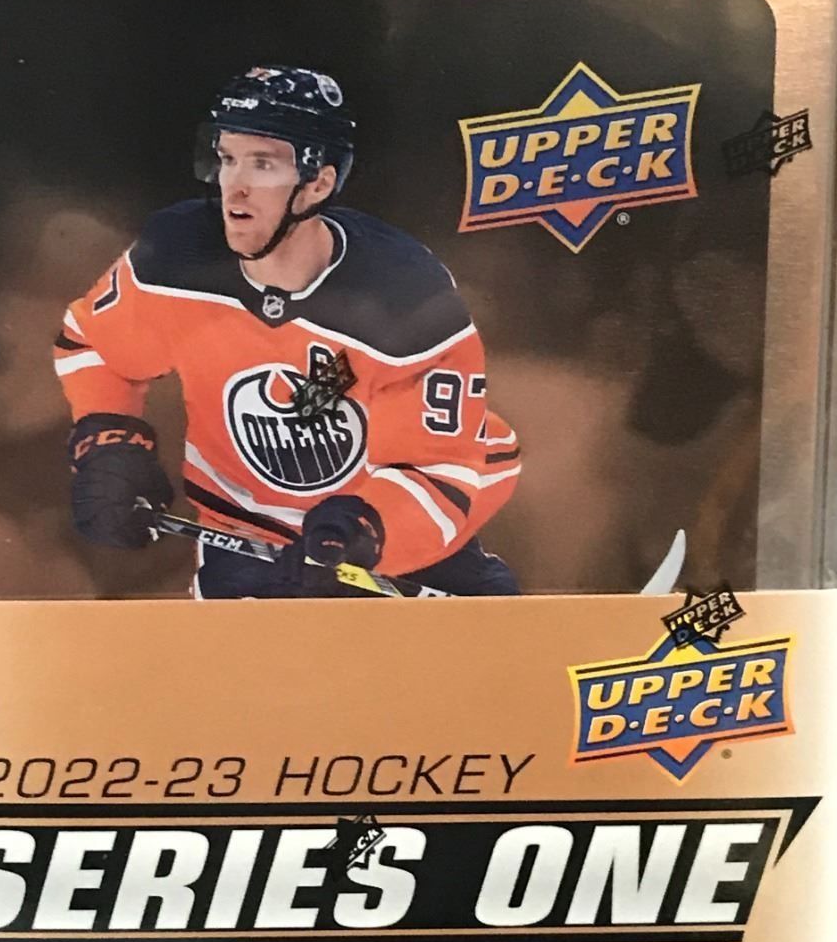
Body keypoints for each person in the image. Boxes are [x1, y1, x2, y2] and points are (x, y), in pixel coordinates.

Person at [54, 64, 521, 596]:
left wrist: (365, 529)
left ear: (318, 183)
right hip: (244, 537)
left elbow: (439, 469)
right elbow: (95, 346)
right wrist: (110, 440)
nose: (235, 187)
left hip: (392, 543)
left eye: (263, 164)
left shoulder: (404, 293)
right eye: (227, 159)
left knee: (499, 644)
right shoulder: (173, 259)